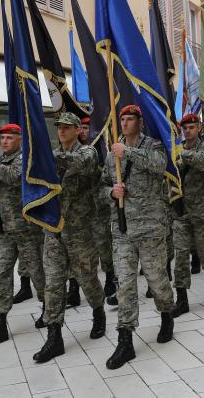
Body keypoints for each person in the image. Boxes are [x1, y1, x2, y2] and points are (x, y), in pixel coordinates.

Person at [102, 105, 175, 370]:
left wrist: (127, 152)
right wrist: (112, 192)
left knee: (157, 280)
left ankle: (166, 311)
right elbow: (101, 186)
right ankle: (125, 339)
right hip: (122, 230)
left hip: (151, 228)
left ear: (140, 122)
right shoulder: (112, 154)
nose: (124, 122)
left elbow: (160, 165)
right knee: (125, 284)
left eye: (129, 118)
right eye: (122, 118)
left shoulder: (153, 145)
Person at [33, 112, 105, 363]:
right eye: (59, 127)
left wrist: (45, 156)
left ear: (77, 130)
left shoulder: (88, 152)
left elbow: (78, 164)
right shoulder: (48, 157)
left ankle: (98, 311)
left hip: (79, 229)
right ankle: (55, 337)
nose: (61, 131)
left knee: (86, 277)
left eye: (67, 127)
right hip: (53, 228)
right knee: (53, 282)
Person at [0, 124, 45, 348]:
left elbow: (13, 177)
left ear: (20, 139)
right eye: (3, 138)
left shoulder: (25, 159)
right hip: (5, 230)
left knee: (37, 271)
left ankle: (48, 306)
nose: (5, 141)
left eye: (10, 138)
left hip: (27, 228)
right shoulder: (0, 160)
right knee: (2, 274)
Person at [171, 114, 204, 318]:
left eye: (192, 127)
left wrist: (182, 154)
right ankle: (182, 299)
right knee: (181, 256)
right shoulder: (179, 147)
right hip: (181, 211)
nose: (188, 131)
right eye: (185, 128)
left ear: (199, 127)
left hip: (203, 211)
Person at [79, 116, 118, 303]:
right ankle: (76, 284)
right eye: (81, 127)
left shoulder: (99, 149)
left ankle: (110, 276)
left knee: (103, 243)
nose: (83, 131)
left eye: (86, 127)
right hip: (80, 207)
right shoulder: (76, 150)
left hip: (98, 205)